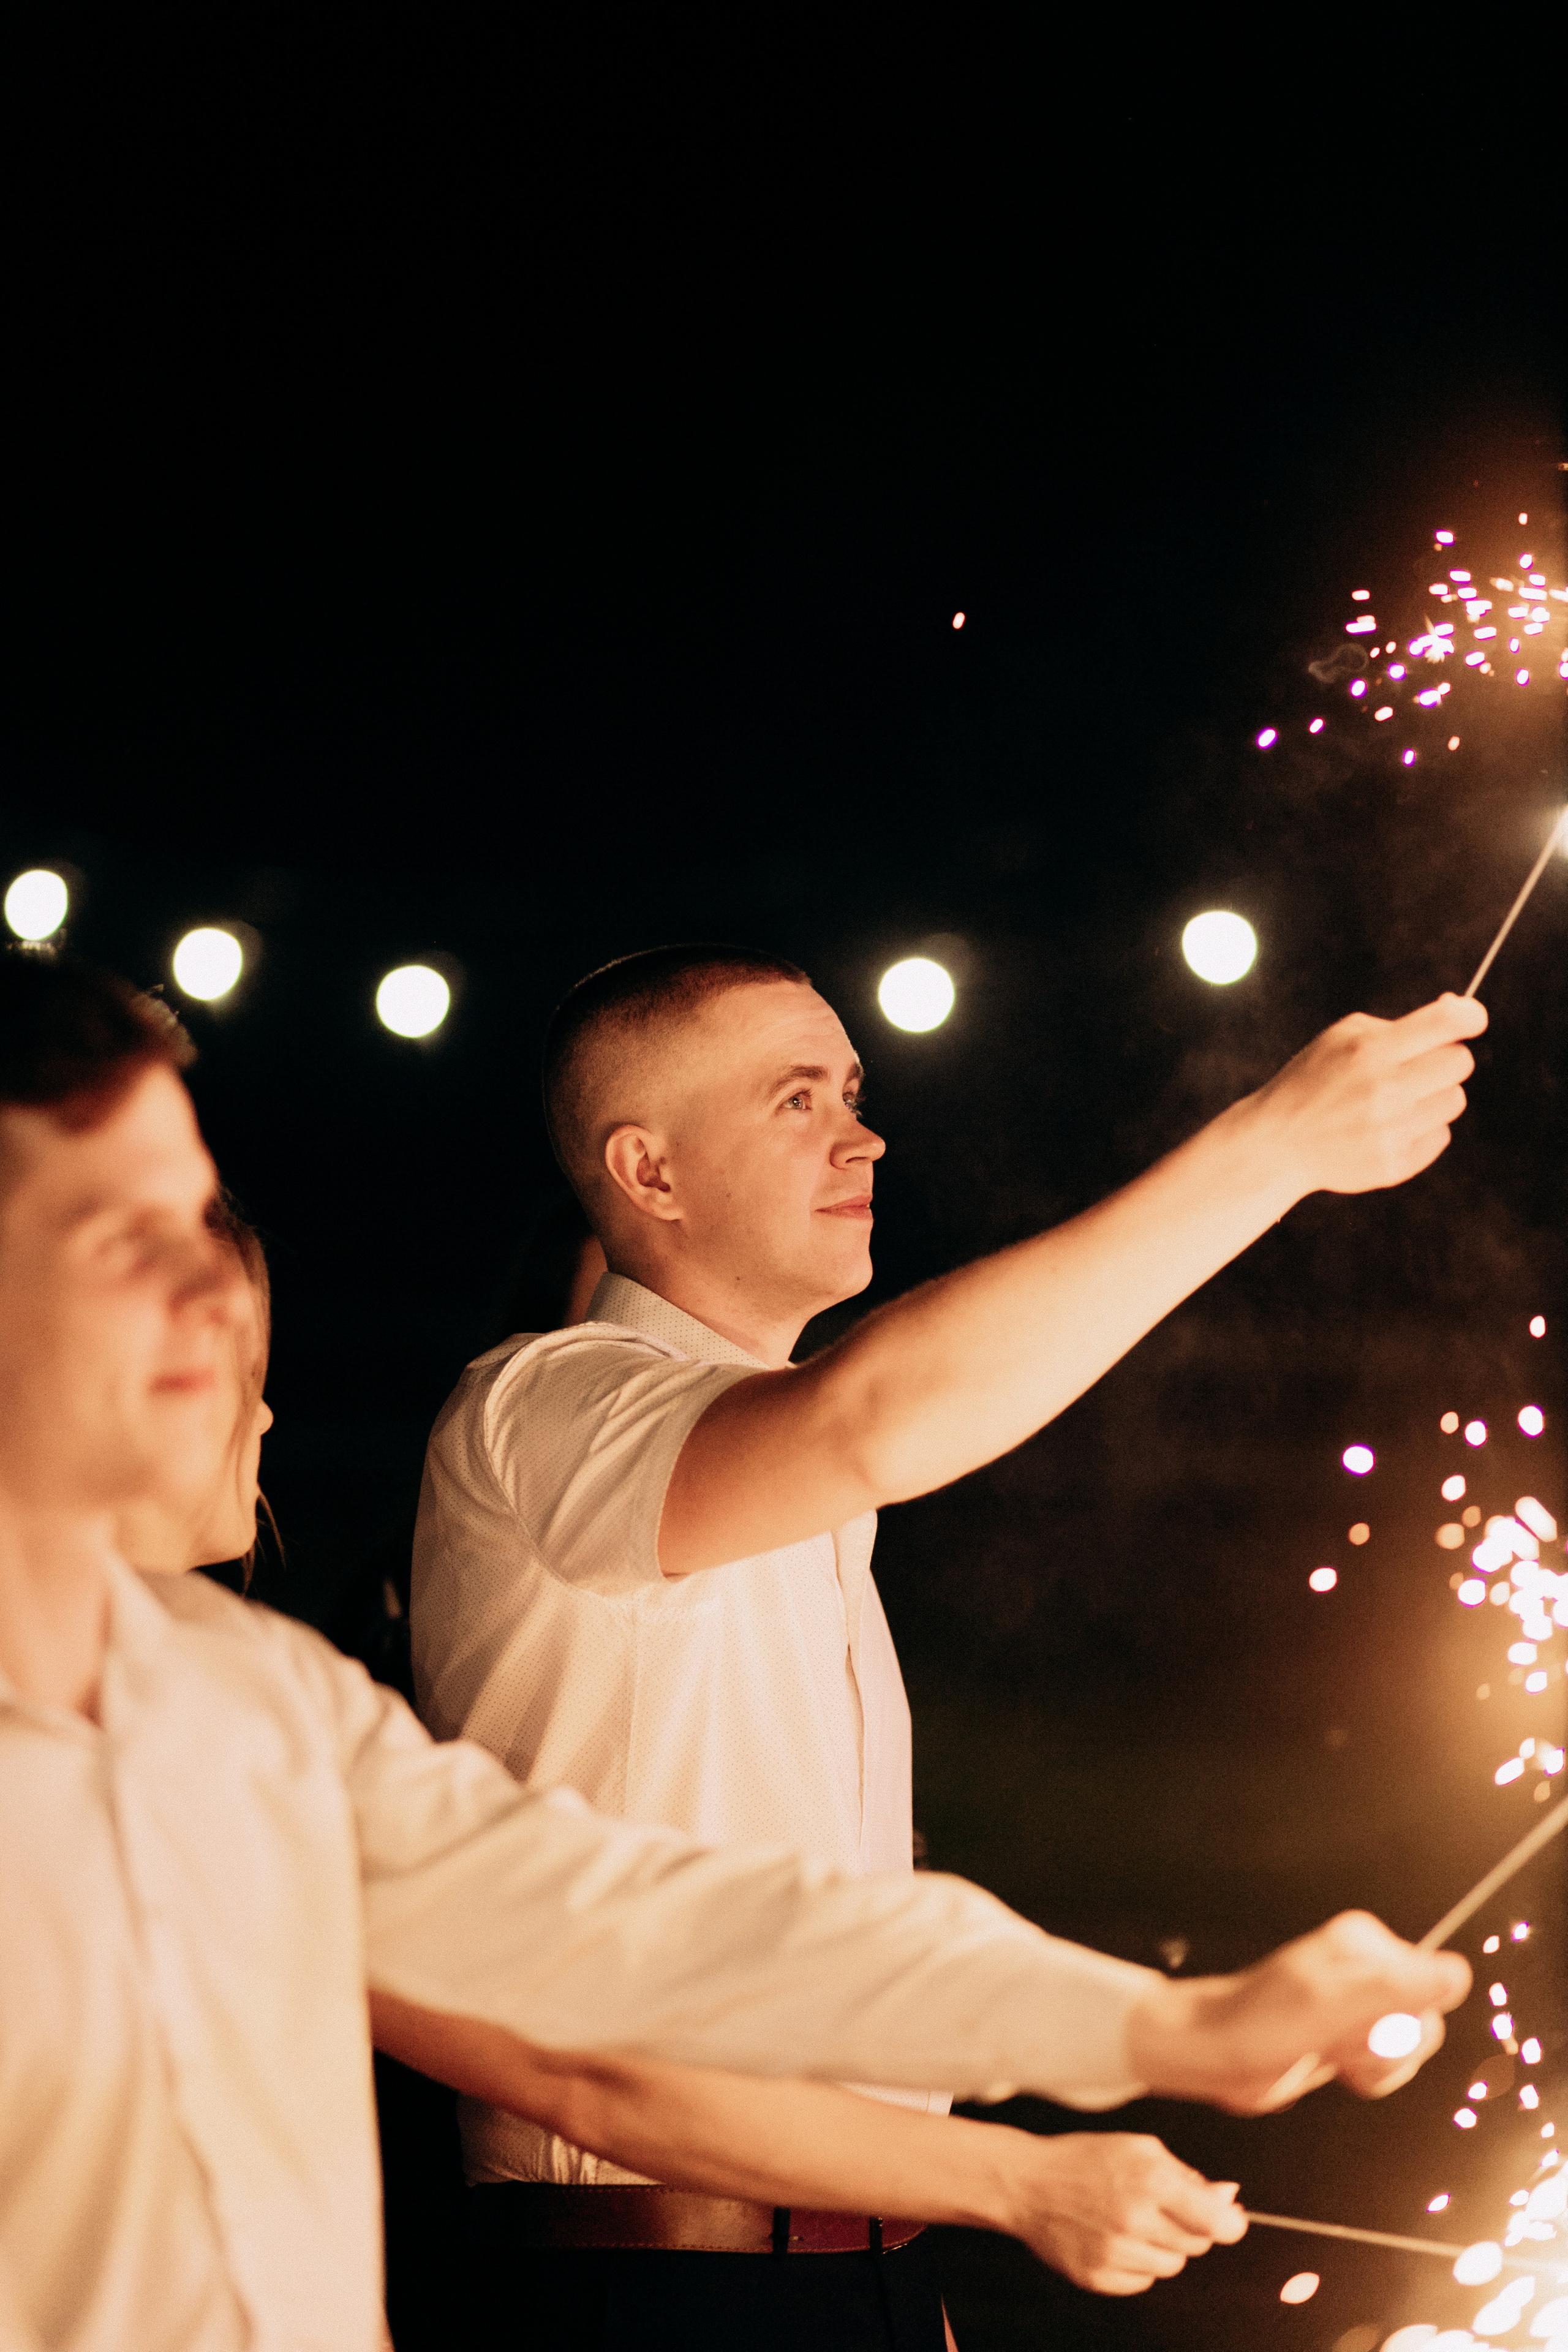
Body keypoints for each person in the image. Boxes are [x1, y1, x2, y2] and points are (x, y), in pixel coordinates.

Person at [0, 952, 1471, 2352]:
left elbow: (671, 1928)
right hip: (649, 2281)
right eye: (120, 1237)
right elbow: (581, 2039)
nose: (216, 1294)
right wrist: (1268, 1148)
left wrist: (1160, 2026)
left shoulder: (256, 1705)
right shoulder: (548, 1410)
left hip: (850, 2264)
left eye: (195, 1222)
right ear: (645, 1171)